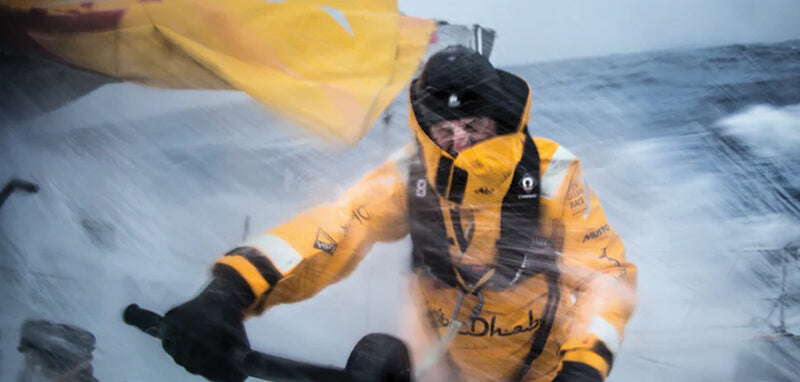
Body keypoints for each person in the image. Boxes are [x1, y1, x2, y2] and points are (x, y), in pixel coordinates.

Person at [158, 45, 638, 382]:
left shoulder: (553, 175)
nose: (459, 142)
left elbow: (604, 276)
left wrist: (584, 369)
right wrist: (232, 287)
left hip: (547, 371)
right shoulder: (410, 176)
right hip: (440, 369)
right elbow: (338, 225)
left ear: (500, 118)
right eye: (444, 128)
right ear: (424, 125)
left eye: (474, 125)